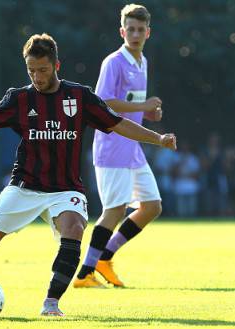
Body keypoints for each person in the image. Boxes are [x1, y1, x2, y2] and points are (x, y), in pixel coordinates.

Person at [0, 33, 176, 316]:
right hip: (25, 186)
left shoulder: (80, 97)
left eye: (42, 70)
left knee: (74, 229)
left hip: (66, 189)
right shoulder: (19, 99)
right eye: (31, 70)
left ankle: (51, 303)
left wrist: (158, 138)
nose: (37, 76)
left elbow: (117, 124)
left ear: (57, 66)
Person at [74, 4, 165, 288]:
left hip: (133, 149)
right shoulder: (113, 61)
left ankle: (104, 257)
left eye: (141, 29)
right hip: (112, 147)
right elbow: (102, 102)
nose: (135, 34)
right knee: (114, 210)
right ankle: (84, 273)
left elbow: (128, 104)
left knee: (151, 206)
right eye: (131, 29)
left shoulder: (142, 61)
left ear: (148, 32)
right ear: (122, 31)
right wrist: (142, 105)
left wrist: (148, 113)